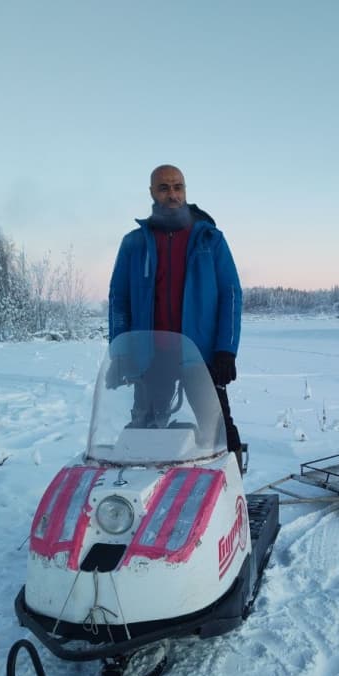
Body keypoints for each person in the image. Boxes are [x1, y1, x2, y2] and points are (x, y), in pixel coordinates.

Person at [108, 164, 243, 465]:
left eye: (177, 187)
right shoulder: (134, 243)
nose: (172, 194)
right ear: (152, 193)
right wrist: (120, 352)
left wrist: (226, 350)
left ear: (185, 190)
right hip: (151, 356)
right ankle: (143, 498)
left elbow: (231, 295)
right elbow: (120, 299)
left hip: (201, 355)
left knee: (218, 430)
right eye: (164, 188)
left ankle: (233, 499)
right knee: (143, 430)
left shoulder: (210, 239)